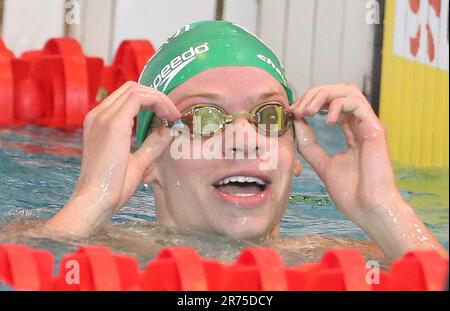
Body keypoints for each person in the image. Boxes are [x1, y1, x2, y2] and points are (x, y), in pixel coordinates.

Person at [44, 21, 447, 260]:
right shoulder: (98, 256)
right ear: (149, 161)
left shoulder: (346, 263)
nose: (244, 141)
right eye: (203, 118)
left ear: (296, 155)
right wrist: (91, 199)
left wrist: (383, 209)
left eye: (268, 116)